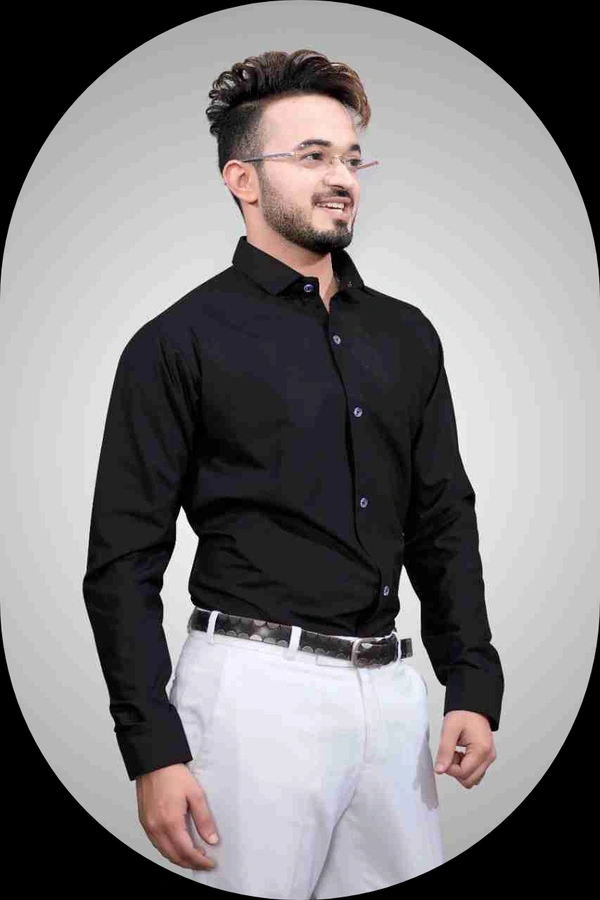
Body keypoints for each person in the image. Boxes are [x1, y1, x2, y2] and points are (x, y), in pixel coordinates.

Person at [82, 48, 504, 896]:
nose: (341, 177)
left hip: (393, 698)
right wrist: (153, 749)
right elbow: (123, 563)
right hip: (252, 699)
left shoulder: (407, 335)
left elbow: (442, 518)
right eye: (312, 156)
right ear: (242, 179)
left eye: (350, 158)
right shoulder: (178, 342)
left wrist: (471, 680)